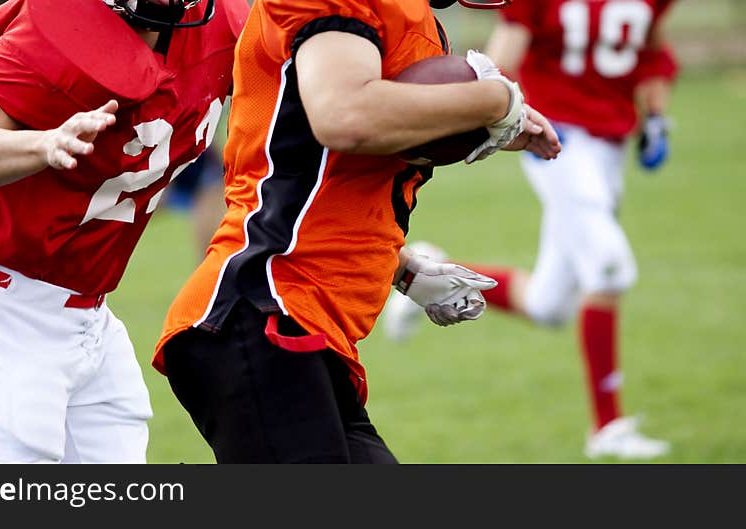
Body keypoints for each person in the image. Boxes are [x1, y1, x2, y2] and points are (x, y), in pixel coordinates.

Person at [151, 0, 562, 464]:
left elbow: (327, 180)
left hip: (303, 325)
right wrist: (496, 100)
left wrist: (402, 270)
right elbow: (344, 117)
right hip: (264, 311)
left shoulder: (413, 21)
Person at [0, 0, 249, 463]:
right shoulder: (54, 31)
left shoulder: (222, 27)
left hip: (91, 319)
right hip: (4, 307)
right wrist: (44, 141)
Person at [383, 0, 678, 460]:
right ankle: (609, 428)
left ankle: (431, 267)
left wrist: (657, 115)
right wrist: (489, 111)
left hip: (611, 147)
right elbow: (502, 61)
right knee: (608, 267)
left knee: (550, 303)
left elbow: (653, 47)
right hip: (559, 140)